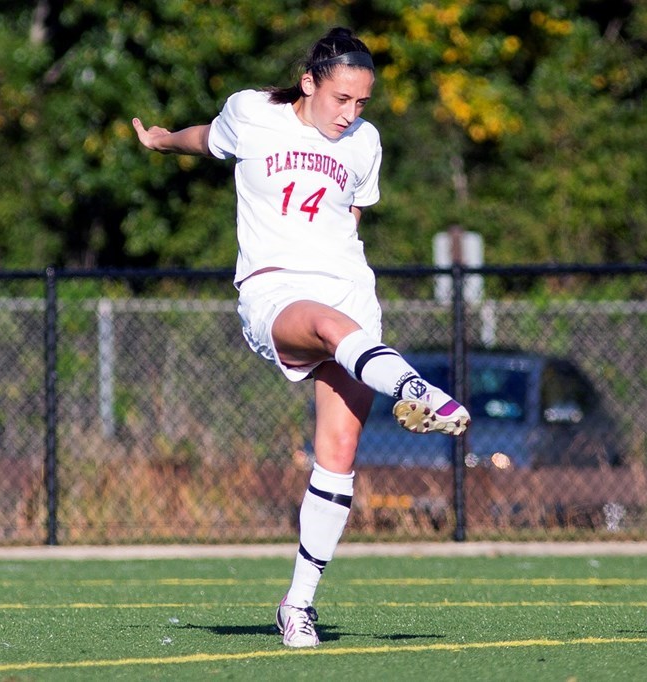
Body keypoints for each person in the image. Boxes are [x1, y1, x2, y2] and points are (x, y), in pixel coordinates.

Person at [132, 26, 470, 648]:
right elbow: (206, 140)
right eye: (341, 98)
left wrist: (346, 275)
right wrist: (161, 140)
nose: (350, 113)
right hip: (276, 289)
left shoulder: (365, 142)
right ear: (309, 82)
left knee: (337, 453)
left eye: (361, 102)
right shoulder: (251, 113)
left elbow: (350, 221)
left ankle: (298, 605)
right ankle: (416, 388)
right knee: (323, 325)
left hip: (347, 289)